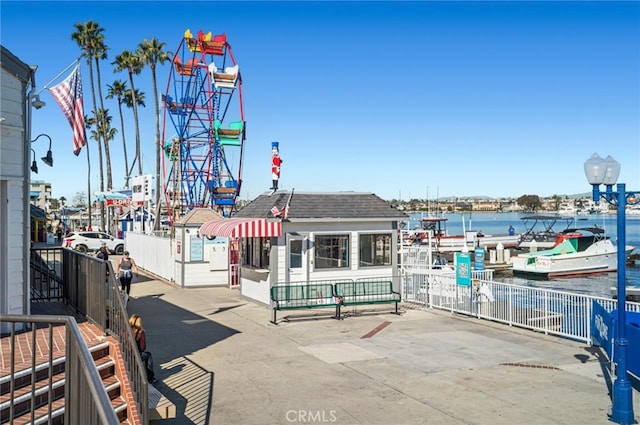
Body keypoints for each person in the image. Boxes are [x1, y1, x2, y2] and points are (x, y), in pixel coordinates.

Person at [129, 314, 157, 384]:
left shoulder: (125, 330)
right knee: (148, 355)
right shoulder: (140, 332)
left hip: (126, 353)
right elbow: (143, 348)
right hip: (135, 355)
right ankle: (150, 377)